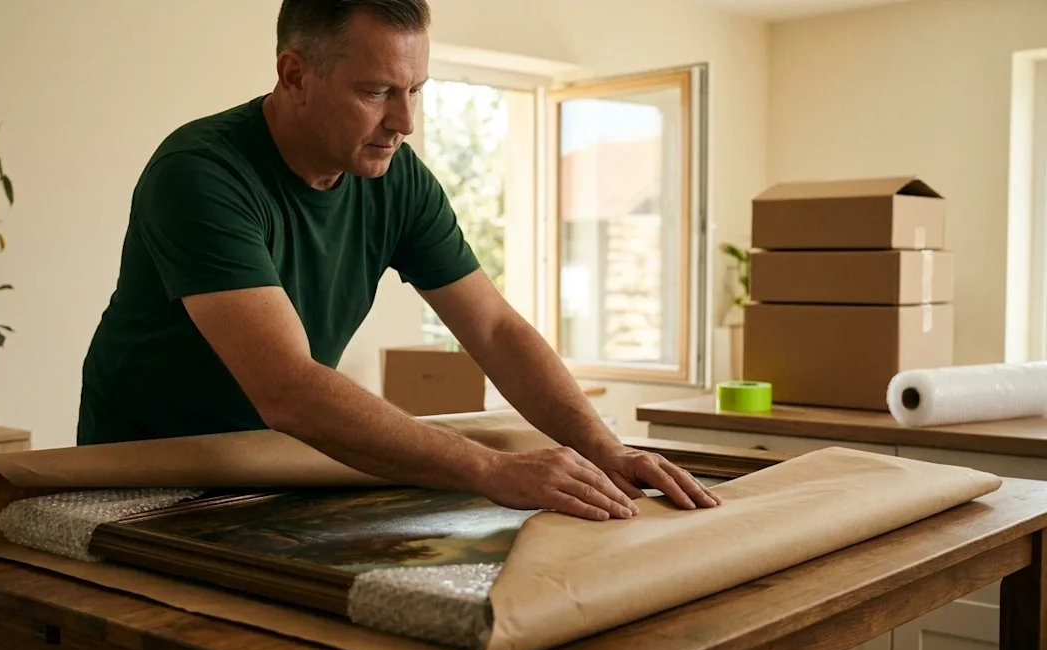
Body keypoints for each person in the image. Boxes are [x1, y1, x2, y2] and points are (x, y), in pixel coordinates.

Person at [78, 0, 722, 522]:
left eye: (416, 89)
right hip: (145, 472)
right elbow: (289, 389)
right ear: (294, 75)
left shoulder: (397, 178)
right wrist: (491, 469)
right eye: (377, 91)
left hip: (276, 462)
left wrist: (603, 447)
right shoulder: (200, 174)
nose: (405, 120)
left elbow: (495, 329)